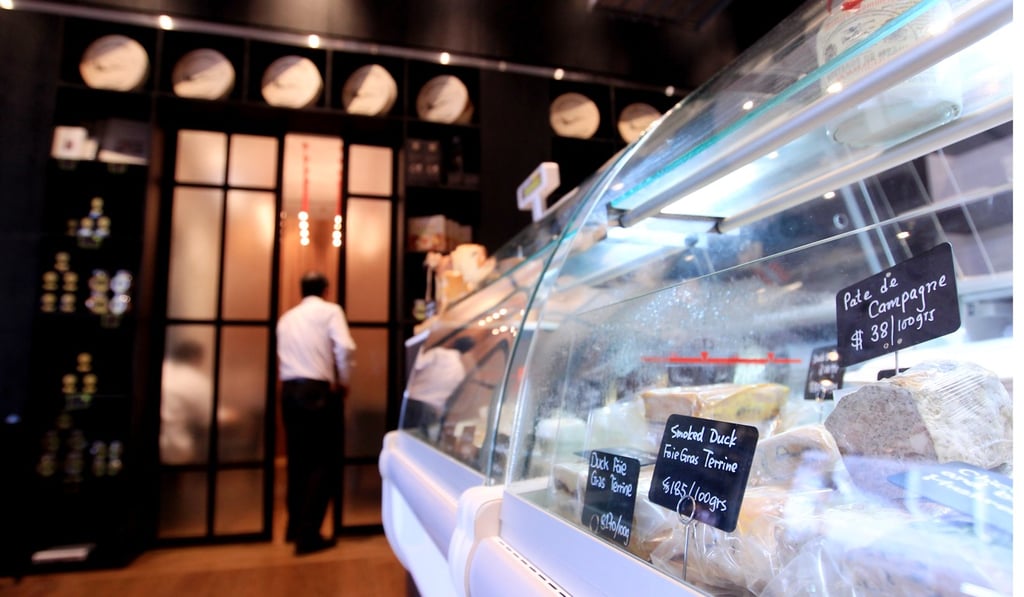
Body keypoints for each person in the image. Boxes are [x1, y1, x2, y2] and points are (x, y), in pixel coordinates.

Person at [276, 271, 356, 556]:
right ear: (326, 289)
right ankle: (309, 535)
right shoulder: (330, 311)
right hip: (317, 392)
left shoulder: (286, 318)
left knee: (297, 461)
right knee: (323, 462)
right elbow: (345, 347)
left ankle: (294, 527)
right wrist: (344, 381)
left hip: (289, 392)